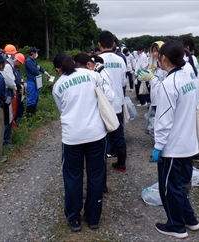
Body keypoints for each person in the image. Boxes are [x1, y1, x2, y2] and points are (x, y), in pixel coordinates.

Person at [151, 40, 199, 239]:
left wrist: (158, 147)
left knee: (169, 188)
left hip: (173, 147)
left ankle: (176, 225)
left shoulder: (169, 84)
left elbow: (163, 121)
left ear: (164, 58)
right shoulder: (187, 76)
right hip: (188, 143)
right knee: (179, 186)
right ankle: (191, 219)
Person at [52, 52, 107, 232]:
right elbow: (105, 98)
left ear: (58, 69)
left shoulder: (58, 85)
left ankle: (74, 218)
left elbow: (63, 110)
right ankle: (93, 218)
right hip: (96, 134)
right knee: (95, 175)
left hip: (72, 137)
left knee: (73, 177)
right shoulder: (92, 75)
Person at [74, 52, 115, 193]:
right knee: (97, 164)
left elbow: (110, 96)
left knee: (89, 165)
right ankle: (98, 188)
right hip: (96, 127)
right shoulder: (98, 74)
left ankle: (99, 188)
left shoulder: (97, 75)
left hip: (88, 127)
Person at [99, 30, 127, 172]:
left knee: (102, 136)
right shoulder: (120, 60)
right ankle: (121, 163)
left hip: (102, 106)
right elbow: (123, 82)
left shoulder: (96, 61)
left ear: (99, 44)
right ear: (113, 44)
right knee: (118, 133)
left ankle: (101, 166)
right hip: (117, 103)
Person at [180, 36, 199, 162]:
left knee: (190, 126)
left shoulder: (187, 61)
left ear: (187, 48)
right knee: (193, 125)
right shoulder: (193, 59)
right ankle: (195, 151)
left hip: (191, 97)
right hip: (195, 97)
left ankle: (193, 153)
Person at [138, 41, 167, 135]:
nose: (155, 54)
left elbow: (166, 82)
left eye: (157, 51)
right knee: (156, 118)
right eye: (153, 51)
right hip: (155, 96)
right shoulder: (154, 65)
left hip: (163, 97)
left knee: (163, 119)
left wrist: (153, 80)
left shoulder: (166, 65)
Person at [25, 47, 51, 116]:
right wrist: (37, 68)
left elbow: (40, 68)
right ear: (32, 53)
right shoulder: (28, 61)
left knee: (36, 97)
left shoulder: (33, 60)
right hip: (31, 81)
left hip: (36, 81)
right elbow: (34, 71)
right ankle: (29, 114)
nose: (37, 54)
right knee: (31, 97)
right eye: (36, 52)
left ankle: (34, 112)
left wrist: (46, 74)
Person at [13, 53, 26, 125]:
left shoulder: (16, 69)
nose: (20, 64)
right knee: (15, 108)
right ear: (17, 60)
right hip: (16, 92)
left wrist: (23, 83)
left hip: (20, 91)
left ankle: (18, 120)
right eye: (20, 63)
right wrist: (21, 85)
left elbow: (20, 78)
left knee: (20, 106)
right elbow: (14, 81)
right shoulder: (11, 69)